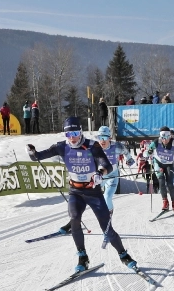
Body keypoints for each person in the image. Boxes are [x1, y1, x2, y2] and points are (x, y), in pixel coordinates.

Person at [26, 116, 139, 272]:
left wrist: (100, 172)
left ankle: (124, 255)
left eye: (75, 134)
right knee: (74, 219)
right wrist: (32, 152)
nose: (72, 138)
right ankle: (83, 257)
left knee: (106, 227)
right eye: (68, 135)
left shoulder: (92, 146)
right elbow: (37, 157)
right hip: (75, 192)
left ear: (80, 132)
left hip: (93, 192)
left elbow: (106, 164)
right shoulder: (61, 147)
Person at [96, 126, 135, 216]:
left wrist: (129, 159)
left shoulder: (117, 146)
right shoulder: (95, 147)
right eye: (100, 138)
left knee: (107, 196)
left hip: (113, 176)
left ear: (109, 138)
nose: (102, 141)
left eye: (105, 137)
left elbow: (126, 152)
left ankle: (109, 214)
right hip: (100, 176)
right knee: (90, 195)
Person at [146, 127, 174, 214]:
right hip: (158, 163)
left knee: (170, 184)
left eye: (166, 138)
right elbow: (146, 154)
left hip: (170, 164)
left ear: (170, 136)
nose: (164, 140)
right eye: (162, 138)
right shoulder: (155, 142)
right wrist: (149, 152)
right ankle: (165, 202)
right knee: (161, 182)